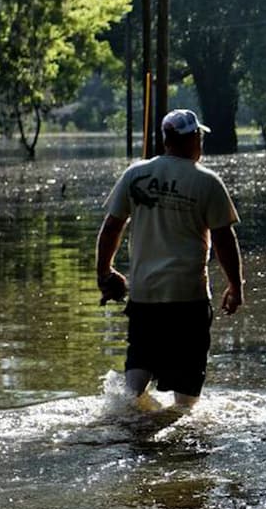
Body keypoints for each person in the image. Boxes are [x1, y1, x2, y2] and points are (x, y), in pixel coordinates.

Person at [95, 108, 244, 409]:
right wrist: (235, 285)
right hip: (187, 298)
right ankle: (179, 431)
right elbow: (225, 239)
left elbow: (112, 227)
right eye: (200, 137)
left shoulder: (135, 174)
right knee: (187, 391)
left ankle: (120, 411)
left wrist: (105, 273)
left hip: (144, 295)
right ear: (195, 139)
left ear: (166, 139)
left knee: (139, 364)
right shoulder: (207, 182)